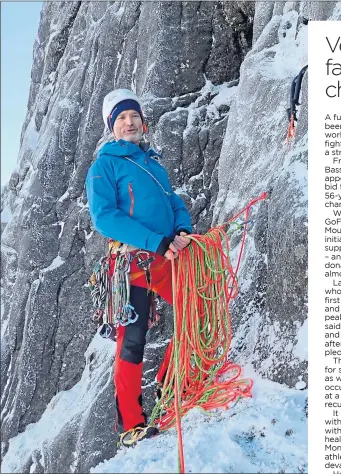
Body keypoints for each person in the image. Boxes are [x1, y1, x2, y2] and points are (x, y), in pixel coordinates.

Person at [86, 89, 192, 447]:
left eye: (133, 117)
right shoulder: (105, 165)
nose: (129, 123)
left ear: (143, 122)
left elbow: (172, 200)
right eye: (120, 119)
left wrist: (181, 230)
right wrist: (157, 241)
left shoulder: (153, 163)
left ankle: (170, 385)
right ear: (112, 128)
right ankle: (131, 425)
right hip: (132, 264)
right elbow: (105, 217)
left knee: (198, 310)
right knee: (131, 342)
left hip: (166, 257)